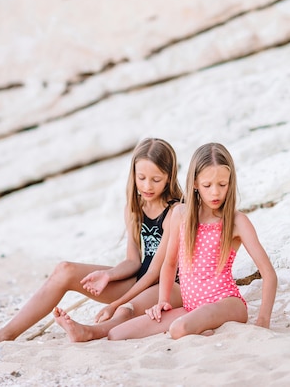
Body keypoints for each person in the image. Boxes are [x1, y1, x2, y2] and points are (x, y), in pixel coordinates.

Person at [0, 137, 183, 346]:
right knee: (65, 270)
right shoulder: (134, 209)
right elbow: (134, 261)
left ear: (169, 178)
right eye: (141, 178)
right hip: (141, 278)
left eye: (156, 180)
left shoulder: (174, 211)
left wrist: (114, 303)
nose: (147, 187)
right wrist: (109, 275)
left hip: (171, 285)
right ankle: (5, 334)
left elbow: (156, 272)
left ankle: (88, 332)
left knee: (125, 309)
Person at [104, 142, 277, 341]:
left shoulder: (236, 221)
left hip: (227, 304)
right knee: (117, 334)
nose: (215, 192)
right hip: (191, 307)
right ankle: (201, 326)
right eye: (207, 185)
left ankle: (203, 326)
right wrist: (163, 300)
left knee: (179, 328)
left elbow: (269, 274)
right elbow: (169, 264)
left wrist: (263, 321)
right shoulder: (180, 214)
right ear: (195, 183)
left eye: (222, 184)